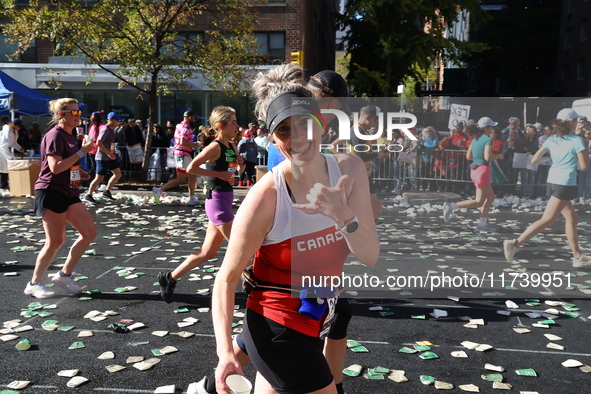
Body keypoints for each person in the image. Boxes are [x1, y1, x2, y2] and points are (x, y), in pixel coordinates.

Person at [211, 66, 378, 394]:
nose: (298, 138)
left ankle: (203, 389)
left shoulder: (350, 170)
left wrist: (343, 214)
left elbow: (369, 255)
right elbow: (226, 279)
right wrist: (225, 353)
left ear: (321, 123)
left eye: (305, 124)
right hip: (276, 324)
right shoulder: (265, 198)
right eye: (285, 130)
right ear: (271, 138)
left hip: (316, 315)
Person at [157, 106, 244, 303]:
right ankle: (252, 290)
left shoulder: (232, 145)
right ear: (221, 127)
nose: (237, 126)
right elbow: (191, 168)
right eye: (233, 123)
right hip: (216, 201)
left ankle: (169, 278)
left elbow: (236, 170)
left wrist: (240, 163)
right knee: (241, 247)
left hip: (225, 199)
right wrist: (219, 174)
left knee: (207, 252)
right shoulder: (214, 147)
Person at [25, 98, 97, 298]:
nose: (78, 116)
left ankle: (64, 275)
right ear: (61, 115)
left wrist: (78, 171)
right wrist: (82, 152)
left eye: (79, 112)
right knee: (55, 241)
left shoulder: (70, 136)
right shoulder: (55, 135)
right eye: (73, 113)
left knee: (89, 233)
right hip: (51, 191)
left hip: (69, 192)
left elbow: (65, 164)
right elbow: (55, 167)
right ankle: (34, 283)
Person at [503, 108, 590, 267]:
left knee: (572, 218)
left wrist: (556, 156)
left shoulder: (552, 139)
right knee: (547, 219)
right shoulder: (577, 141)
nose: (578, 123)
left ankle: (577, 255)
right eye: (577, 120)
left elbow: (535, 160)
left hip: (553, 181)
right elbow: (584, 166)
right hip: (565, 183)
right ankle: (515, 243)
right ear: (571, 122)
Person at [443, 118, 504, 232]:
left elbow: (468, 157)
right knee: (479, 201)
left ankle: (482, 223)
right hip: (483, 170)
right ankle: (451, 206)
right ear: (486, 128)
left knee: (490, 198)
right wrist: (499, 156)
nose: (492, 129)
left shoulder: (475, 139)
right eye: (491, 126)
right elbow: (488, 157)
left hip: (475, 169)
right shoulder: (487, 139)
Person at [152, 110, 201, 205]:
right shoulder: (186, 128)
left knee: (180, 179)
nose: (194, 121)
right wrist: (194, 145)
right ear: (189, 118)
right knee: (192, 175)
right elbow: (183, 142)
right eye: (194, 118)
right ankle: (192, 198)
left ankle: (159, 189)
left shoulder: (179, 126)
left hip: (179, 154)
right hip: (184, 154)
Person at [85, 112, 123, 203]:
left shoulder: (111, 129)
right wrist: (109, 153)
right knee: (99, 178)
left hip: (110, 156)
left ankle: (107, 192)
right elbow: (99, 142)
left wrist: (112, 153)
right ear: (111, 120)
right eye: (116, 120)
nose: (118, 122)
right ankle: (88, 195)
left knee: (118, 174)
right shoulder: (105, 129)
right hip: (102, 157)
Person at [0, 117, 24, 190]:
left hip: (6, 150)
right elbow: (3, 145)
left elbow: (14, 143)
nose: (20, 128)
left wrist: (20, 148)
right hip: (2, 151)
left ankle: (5, 185)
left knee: (6, 168)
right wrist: (9, 156)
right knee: (3, 169)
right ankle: (3, 186)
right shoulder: (7, 131)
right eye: (19, 126)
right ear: (15, 125)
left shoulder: (15, 132)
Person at [87, 112, 104, 176]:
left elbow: (102, 139)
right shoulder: (92, 126)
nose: (91, 117)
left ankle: (102, 183)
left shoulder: (101, 126)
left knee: (99, 169)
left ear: (97, 117)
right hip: (91, 151)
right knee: (93, 168)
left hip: (99, 151)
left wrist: (94, 142)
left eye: (92, 116)